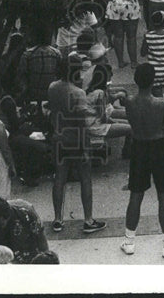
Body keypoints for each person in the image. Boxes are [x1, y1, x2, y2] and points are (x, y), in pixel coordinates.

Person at [121, 63, 164, 258]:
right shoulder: (162, 104)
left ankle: (129, 241)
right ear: (153, 80)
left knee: (136, 194)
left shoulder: (129, 102)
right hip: (159, 147)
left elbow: (130, 120)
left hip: (138, 147)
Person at [47, 54, 105, 235]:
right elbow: (82, 123)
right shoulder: (78, 93)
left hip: (59, 137)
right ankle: (88, 220)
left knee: (59, 178)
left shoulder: (53, 87)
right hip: (76, 140)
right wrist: (86, 148)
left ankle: (57, 219)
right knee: (85, 179)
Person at [0, 198, 49, 264]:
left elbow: (40, 238)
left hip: (25, 256)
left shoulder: (26, 213)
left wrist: (47, 260)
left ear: (6, 218)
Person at [105, 0, 144, 69]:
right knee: (131, 36)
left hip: (115, 5)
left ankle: (121, 62)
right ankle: (133, 62)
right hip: (130, 5)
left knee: (118, 35)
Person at [140, 10, 164, 116]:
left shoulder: (148, 36)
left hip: (155, 73)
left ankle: (162, 123)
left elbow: (142, 53)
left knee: (158, 100)